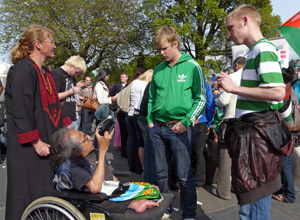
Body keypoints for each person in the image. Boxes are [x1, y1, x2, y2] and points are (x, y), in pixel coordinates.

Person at [217, 5, 286, 219]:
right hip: (253, 141)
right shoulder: (257, 50)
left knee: (253, 210)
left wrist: (233, 88)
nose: (228, 35)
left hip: (257, 144)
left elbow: (277, 92)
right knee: (249, 208)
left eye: (230, 28)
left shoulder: (263, 49)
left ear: (245, 21)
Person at [4, 25, 72, 220]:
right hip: (28, 149)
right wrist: (35, 141)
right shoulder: (22, 70)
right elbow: (21, 109)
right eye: (51, 42)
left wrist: (67, 129)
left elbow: (52, 106)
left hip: (46, 143)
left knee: (44, 192)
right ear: (38, 44)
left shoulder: (45, 72)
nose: (55, 46)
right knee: (25, 193)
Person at [148, 27, 207, 220]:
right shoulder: (158, 69)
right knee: (161, 174)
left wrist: (187, 121)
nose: (161, 53)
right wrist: (150, 120)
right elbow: (151, 98)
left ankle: (189, 213)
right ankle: (165, 208)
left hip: (179, 128)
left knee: (184, 175)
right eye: (158, 49)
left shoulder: (192, 66)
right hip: (157, 128)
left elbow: (201, 99)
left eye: (164, 48)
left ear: (175, 44)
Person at [50, 127, 159, 213]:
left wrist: (132, 191)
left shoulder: (92, 153)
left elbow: (111, 177)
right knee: (99, 201)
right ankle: (133, 204)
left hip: (102, 190)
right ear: (77, 151)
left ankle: (135, 198)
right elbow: (95, 188)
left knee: (147, 189)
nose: (89, 137)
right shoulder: (72, 167)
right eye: (85, 139)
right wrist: (103, 150)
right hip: (81, 199)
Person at [212, 56, 245, 200]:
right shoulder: (253, 75)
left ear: (236, 65)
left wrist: (216, 96)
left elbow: (223, 101)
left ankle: (223, 191)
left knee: (225, 157)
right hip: (247, 122)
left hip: (231, 121)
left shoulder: (234, 77)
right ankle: (240, 187)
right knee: (242, 157)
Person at [272, 66, 296, 203]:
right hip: (286, 132)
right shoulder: (288, 90)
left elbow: (284, 115)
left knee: (285, 164)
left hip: (284, 133)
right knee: (284, 164)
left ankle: (289, 194)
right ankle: (284, 190)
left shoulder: (284, 92)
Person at [52, 56, 87, 129]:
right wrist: (72, 91)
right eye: (77, 72)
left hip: (73, 117)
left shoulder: (71, 77)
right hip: (62, 118)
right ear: (71, 66)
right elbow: (53, 97)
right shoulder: (57, 74)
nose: (76, 75)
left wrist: (77, 87)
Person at [192, 82, 214, 189]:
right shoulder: (205, 85)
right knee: (199, 152)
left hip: (183, 120)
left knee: (182, 152)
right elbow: (210, 105)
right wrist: (208, 123)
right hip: (201, 121)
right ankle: (199, 181)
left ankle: (177, 181)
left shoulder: (183, 81)